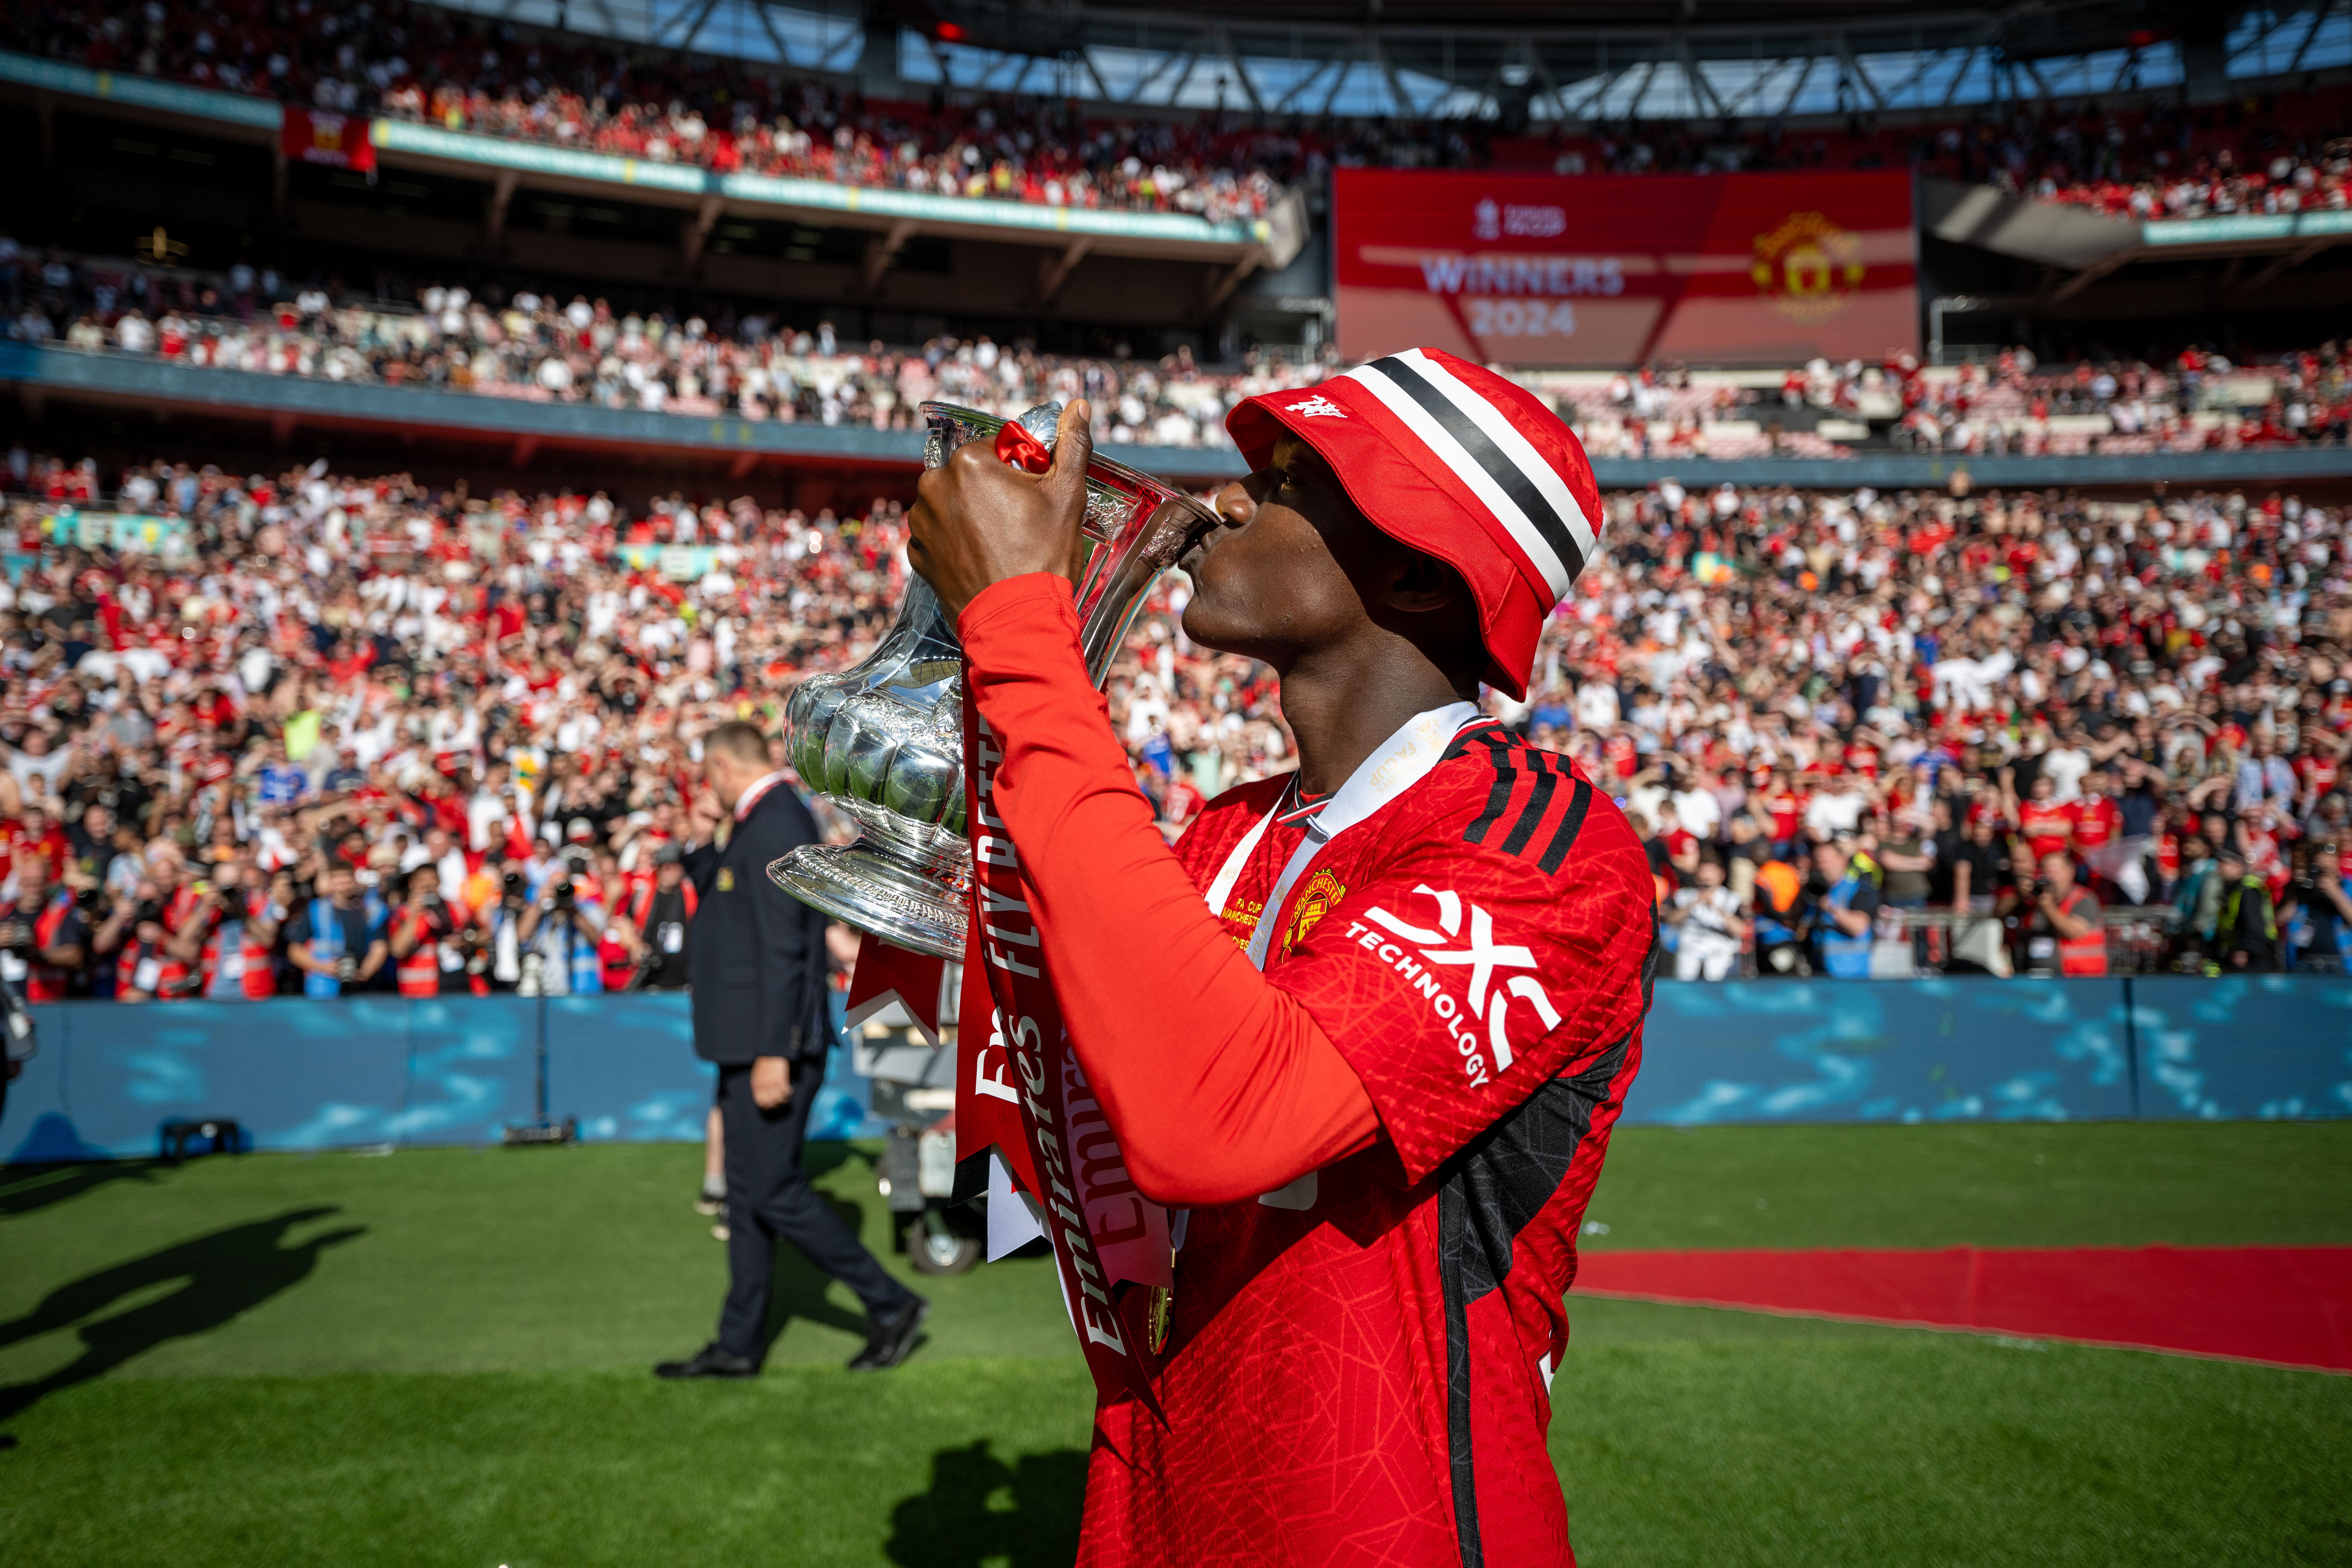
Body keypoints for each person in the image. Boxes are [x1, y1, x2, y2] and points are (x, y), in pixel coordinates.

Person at [906, 356, 1653, 1566]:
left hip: (1384, 1525)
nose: (1227, 504)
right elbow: (1068, 1135)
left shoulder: (1541, 846)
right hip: (1158, 1507)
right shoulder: (1226, 828)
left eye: (1290, 481)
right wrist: (995, 661)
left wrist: (1023, 629)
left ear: (1416, 570)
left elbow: (1220, 1116)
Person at [656, 720, 925, 1380]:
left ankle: (889, 1303)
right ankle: (738, 1343)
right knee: (749, 1197)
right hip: (749, 1043)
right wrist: (697, 842)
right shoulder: (765, 820)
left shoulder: (775, 821)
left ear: (719, 765)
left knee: (770, 1191)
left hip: (768, 1046)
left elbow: (783, 950)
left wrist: (777, 1050)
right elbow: (730, 897)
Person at [285, 861, 389, 998]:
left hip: (364, 991)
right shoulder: (316, 909)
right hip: (324, 992)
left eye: (347, 876)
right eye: (337, 877)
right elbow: (295, 951)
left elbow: (380, 947)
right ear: (330, 881)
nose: (343, 881)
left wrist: (365, 972)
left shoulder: (371, 909)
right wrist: (322, 967)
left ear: (354, 879)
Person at [2024, 851, 2106, 977]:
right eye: (2046, 872)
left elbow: (2073, 931)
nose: (2050, 878)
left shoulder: (2084, 899)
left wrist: (2047, 905)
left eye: (2055, 872)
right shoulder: (2037, 901)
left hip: (2082, 982)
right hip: (2043, 980)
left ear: (2070, 872)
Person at [1664, 856, 1746, 979]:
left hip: (1719, 954)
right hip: (1689, 953)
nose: (1706, 879)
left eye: (1711, 873)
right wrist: (1693, 904)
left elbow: (1741, 930)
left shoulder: (1732, 899)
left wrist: (1717, 908)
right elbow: (1671, 920)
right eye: (1703, 873)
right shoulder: (1684, 895)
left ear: (1721, 875)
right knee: (1684, 987)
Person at [1809, 837, 1879, 978]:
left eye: (1827, 861)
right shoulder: (1812, 892)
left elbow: (1859, 927)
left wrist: (1831, 908)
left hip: (1851, 977)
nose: (1823, 866)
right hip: (1821, 977)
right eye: (1819, 862)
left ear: (1843, 861)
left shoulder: (1858, 889)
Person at [2208, 848, 2279, 973]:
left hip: (2254, 958)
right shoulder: (2232, 890)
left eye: (2223, 865)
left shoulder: (2248, 890)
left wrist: (2245, 950)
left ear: (2238, 866)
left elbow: (2254, 924)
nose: (2218, 869)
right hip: (2241, 953)